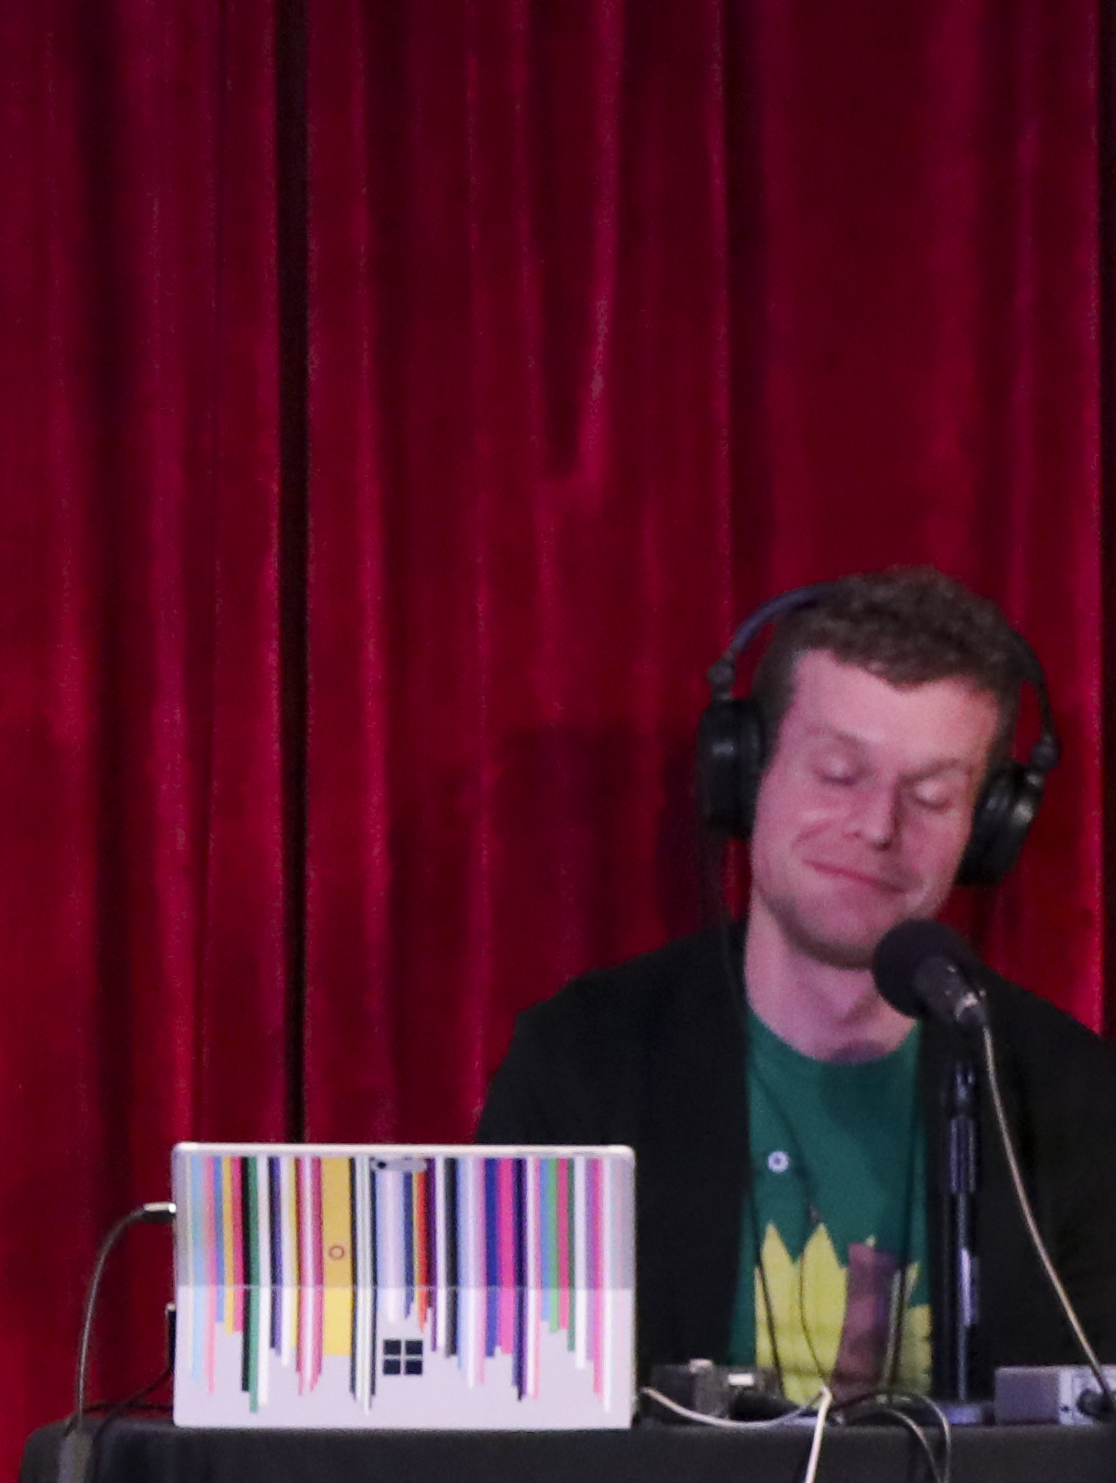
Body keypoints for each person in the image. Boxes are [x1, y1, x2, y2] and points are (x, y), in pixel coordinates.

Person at [476, 568, 1116, 1400]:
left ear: (988, 829)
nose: (880, 827)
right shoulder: (585, 1063)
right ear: (748, 776)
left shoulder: (1071, 1097)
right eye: (840, 773)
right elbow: (501, 1435)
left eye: (931, 796)